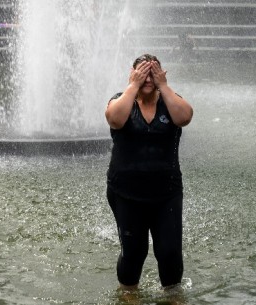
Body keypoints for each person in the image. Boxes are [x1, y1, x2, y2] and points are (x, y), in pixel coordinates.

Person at [104, 54, 193, 293]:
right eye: (142, 72)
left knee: (170, 251)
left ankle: (173, 294)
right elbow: (114, 119)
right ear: (132, 74)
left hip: (167, 193)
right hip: (126, 193)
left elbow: (185, 117)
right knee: (134, 251)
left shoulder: (171, 101)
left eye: (153, 72)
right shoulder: (120, 100)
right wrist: (133, 85)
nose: (148, 78)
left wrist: (163, 86)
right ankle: (129, 293)